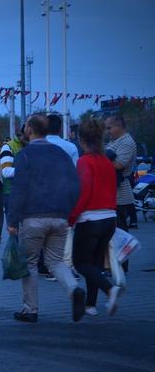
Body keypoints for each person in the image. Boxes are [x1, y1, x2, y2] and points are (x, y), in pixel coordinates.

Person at [7, 114, 84, 323]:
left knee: (30, 263)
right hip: (60, 217)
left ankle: (30, 310)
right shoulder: (61, 153)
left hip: (33, 218)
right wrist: (68, 210)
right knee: (56, 261)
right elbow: (76, 184)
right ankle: (74, 289)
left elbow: (19, 189)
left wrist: (12, 221)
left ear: (29, 131)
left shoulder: (25, 155)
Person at [68, 120, 123, 316]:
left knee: (81, 263)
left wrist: (71, 218)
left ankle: (110, 289)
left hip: (90, 219)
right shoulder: (107, 162)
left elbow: (83, 193)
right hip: (110, 218)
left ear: (82, 140)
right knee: (95, 264)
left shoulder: (84, 161)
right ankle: (90, 305)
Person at [105, 115, 137, 233]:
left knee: (120, 232)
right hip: (112, 191)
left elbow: (119, 165)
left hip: (120, 193)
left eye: (109, 128)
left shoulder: (126, 142)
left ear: (118, 126)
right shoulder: (115, 140)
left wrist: (101, 159)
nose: (107, 131)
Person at [0, 128, 27, 218]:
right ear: (21, 135)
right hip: (11, 193)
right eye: (28, 137)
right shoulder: (8, 147)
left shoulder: (30, 145)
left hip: (27, 193)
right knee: (14, 227)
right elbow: (6, 171)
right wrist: (29, 170)